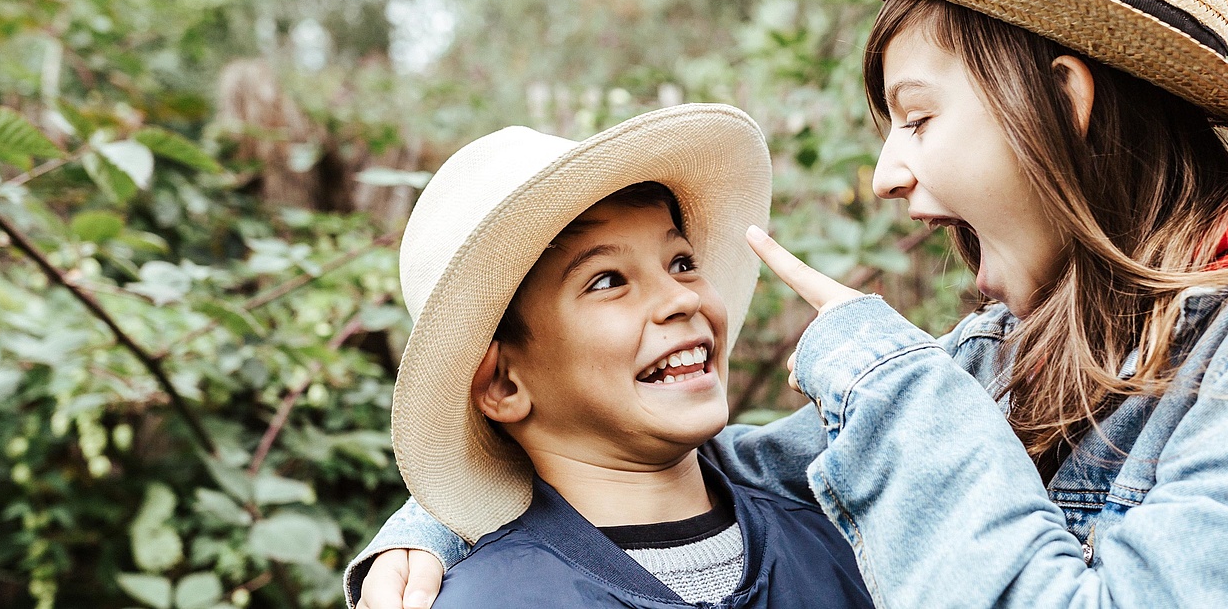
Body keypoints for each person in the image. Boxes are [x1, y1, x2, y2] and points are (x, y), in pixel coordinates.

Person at [352, 0, 1228, 607]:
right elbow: (709, 469)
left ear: (1063, 98)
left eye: (917, 116)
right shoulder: (1037, 351)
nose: (887, 173)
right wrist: (450, 514)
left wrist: (881, 375)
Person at [367, 103, 873, 609]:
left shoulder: (847, 539)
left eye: (682, 262)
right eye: (608, 281)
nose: (684, 297)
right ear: (503, 383)